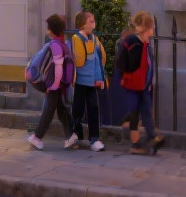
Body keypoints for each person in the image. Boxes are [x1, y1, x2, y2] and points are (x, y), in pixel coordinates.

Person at [115, 11, 164, 154]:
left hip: (144, 86)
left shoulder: (147, 45)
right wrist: (125, 76)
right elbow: (121, 62)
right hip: (133, 84)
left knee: (147, 111)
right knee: (135, 113)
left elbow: (149, 65)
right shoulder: (132, 42)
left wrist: (149, 82)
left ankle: (151, 137)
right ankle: (135, 145)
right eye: (151, 26)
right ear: (145, 27)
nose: (153, 30)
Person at [28, 14, 76, 150]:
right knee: (57, 109)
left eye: (48, 28)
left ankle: (37, 137)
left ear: (51, 30)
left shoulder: (55, 45)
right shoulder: (62, 44)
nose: (47, 30)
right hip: (58, 84)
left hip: (55, 84)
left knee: (53, 110)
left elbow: (59, 69)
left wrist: (53, 86)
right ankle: (69, 135)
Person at [69, 11, 106, 151]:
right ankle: (76, 134)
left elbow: (99, 61)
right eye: (91, 21)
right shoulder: (76, 38)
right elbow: (78, 61)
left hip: (91, 83)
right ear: (83, 24)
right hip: (80, 82)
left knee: (93, 109)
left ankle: (94, 139)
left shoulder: (95, 39)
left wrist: (99, 78)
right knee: (77, 109)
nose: (94, 23)